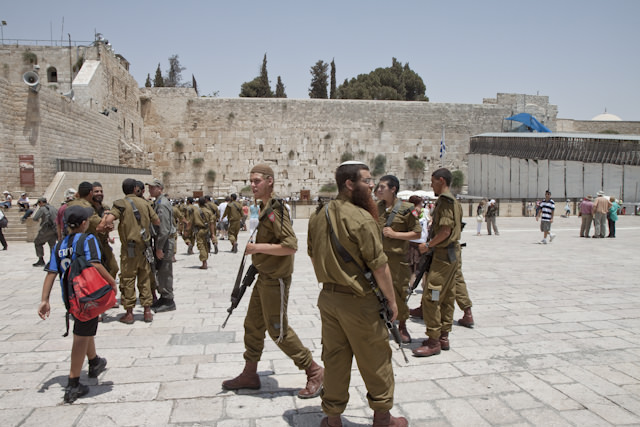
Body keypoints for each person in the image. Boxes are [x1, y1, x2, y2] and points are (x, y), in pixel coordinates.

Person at [307, 161, 407, 427]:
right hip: (360, 303)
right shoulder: (362, 218)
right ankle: (383, 419)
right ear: (349, 184)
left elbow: (312, 255)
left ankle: (332, 419)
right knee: (375, 358)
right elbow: (380, 266)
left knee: (334, 359)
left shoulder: (318, 215)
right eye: (367, 181)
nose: (372, 185)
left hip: (328, 300)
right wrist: (392, 301)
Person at [223, 163, 324, 400]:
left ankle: (314, 370)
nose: (253, 185)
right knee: (253, 325)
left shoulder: (275, 210)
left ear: (270, 181)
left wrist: (255, 248)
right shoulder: (265, 207)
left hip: (275, 280)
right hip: (264, 277)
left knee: (278, 330)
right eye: (251, 181)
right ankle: (250, 373)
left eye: (257, 180)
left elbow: (290, 246)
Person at [38, 205, 115, 403]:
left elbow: (51, 273)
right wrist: (112, 282)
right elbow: (96, 264)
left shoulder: (59, 245)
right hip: (86, 296)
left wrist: (44, 299)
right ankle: (73, 383)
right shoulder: (88, 239)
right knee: (80, 336)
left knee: (84, 327)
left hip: (70, 297)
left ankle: (94, 361)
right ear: (84, 223)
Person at [413, 168, 463, 358]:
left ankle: (434, 340)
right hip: (450, 255)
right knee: (448, 295)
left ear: (441, 180)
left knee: (432, 295)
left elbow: (445, 231)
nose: (431, 185)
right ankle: (443, 336)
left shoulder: (446, 201)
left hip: (443, 255)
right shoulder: (453, 201)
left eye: (433, 181)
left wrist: (428, 245)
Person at [97, 178, 160, 324]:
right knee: (144, 279)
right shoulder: (145, 203)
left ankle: (129, 314)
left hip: (129, 250)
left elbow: (108, 220)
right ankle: (147, 312)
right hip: (144, 249)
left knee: (128, 279)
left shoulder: (120, 204)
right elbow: (157, 221)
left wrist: (106, 226)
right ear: (135, 189)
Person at [375, 175, 421, 343]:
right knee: (378, 292)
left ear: (393, 189)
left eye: (382, 187)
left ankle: (402, 326)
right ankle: (382, 324)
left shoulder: (407, 208)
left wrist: (396, 234)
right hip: (379, 258)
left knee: (399, 292)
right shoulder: (376, 207)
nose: (378, 190)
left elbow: (417, 233)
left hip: (397, 259)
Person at [146, 179, 177, 312]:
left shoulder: (162, 204)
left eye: (153, 188)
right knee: (161, 271)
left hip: (164, 242)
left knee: (165, 271)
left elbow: (163, 229)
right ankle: (164, 297)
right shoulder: (158, 202)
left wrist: (159, 248)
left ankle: (168, 299)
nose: (150, 190)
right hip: (162, 241)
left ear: (160, 188)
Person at [91, 182, 119, 280]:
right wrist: (106, 219)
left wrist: (110, 226)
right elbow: (98, 227)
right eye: (96, 191)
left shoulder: (105, 208)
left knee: (114, 268)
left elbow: (110, 225)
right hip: (92, 244)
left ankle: (107, 289)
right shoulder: (89, 209)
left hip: (104, 242)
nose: (99, 193)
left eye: (101, 191)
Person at [187, 198, 215, 269]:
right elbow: (212, 223)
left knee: (201, 245)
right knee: (205, 245)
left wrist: (187, 231)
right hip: (207, 230)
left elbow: (190, 222)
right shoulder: (209, 212)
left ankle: (204, 262)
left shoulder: (195, 212)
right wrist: (213, 234)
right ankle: (205, 258)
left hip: (199, 230)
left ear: (198, 203)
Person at [30, 197, 58, 267]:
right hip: (54, 229)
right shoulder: (53, 208)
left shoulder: (42, 208)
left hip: (46, 229)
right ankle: (53, 261)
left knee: (37, 242)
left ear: (41, 202)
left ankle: (41, 260)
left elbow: (35, 218)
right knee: (52, 245)